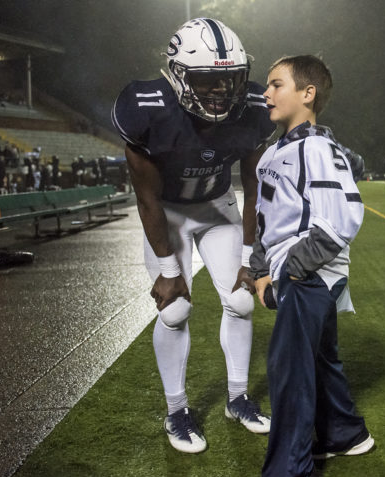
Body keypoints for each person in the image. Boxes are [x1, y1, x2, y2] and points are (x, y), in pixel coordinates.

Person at [111, 17, 274, 454]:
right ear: (178, 75)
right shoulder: (145, 107)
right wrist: (167, 268)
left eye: (230, 80)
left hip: (217, 204)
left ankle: (237, 398)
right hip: (168, 211)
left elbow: (254, 185)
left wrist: (248, 255)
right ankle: (176, 410)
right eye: (208, 81)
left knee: (241, 299)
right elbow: (146, 199)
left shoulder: (254, 108)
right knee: (175, 311)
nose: (222, 91)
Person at [240, 55, 373, 477]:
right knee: (318, 360)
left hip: (311, 274)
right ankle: (344, 433)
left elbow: (339, 222)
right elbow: (267, 220)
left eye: (277, 85)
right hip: (295, 273)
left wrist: (288, 274)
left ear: (307, 94)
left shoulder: (315, 148)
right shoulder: (278, 150)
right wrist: (259, 269)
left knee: (289, 369)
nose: (267, 93)